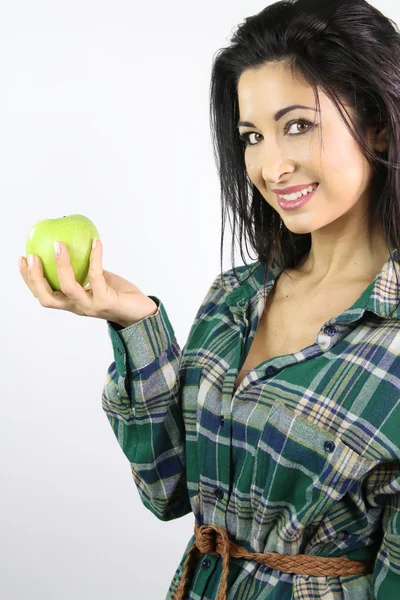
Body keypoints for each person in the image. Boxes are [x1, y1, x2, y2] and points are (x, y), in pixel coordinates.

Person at [18, 0, 400, 597]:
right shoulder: (235, 298)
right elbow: (167, 489)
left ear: (377, 122)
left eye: (298, 125)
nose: (271, 165)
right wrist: (135, 321)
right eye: (252, 136)